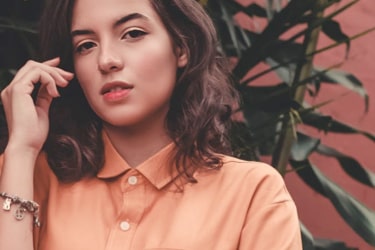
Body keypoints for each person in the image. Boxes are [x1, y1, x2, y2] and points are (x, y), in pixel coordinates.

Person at [0, 0, 302, 249]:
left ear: (182, 47)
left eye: (132, 33)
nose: (106, 60)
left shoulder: (253, 194)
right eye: (86, 45)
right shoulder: (25, 174)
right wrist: (21, 150)